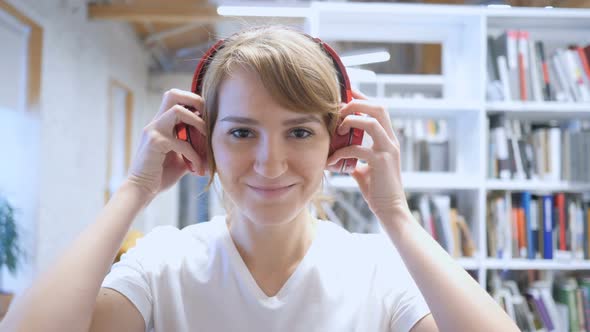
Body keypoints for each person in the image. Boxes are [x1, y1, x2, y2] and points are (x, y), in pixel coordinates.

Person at [0, 25, 519, 332]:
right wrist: (134, 191)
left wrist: (396, 217)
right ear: (201, 140)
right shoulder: (163, 264)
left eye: (298, 132)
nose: (271, 164)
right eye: (243, 132)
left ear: (338, 140)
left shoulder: (378, 271)